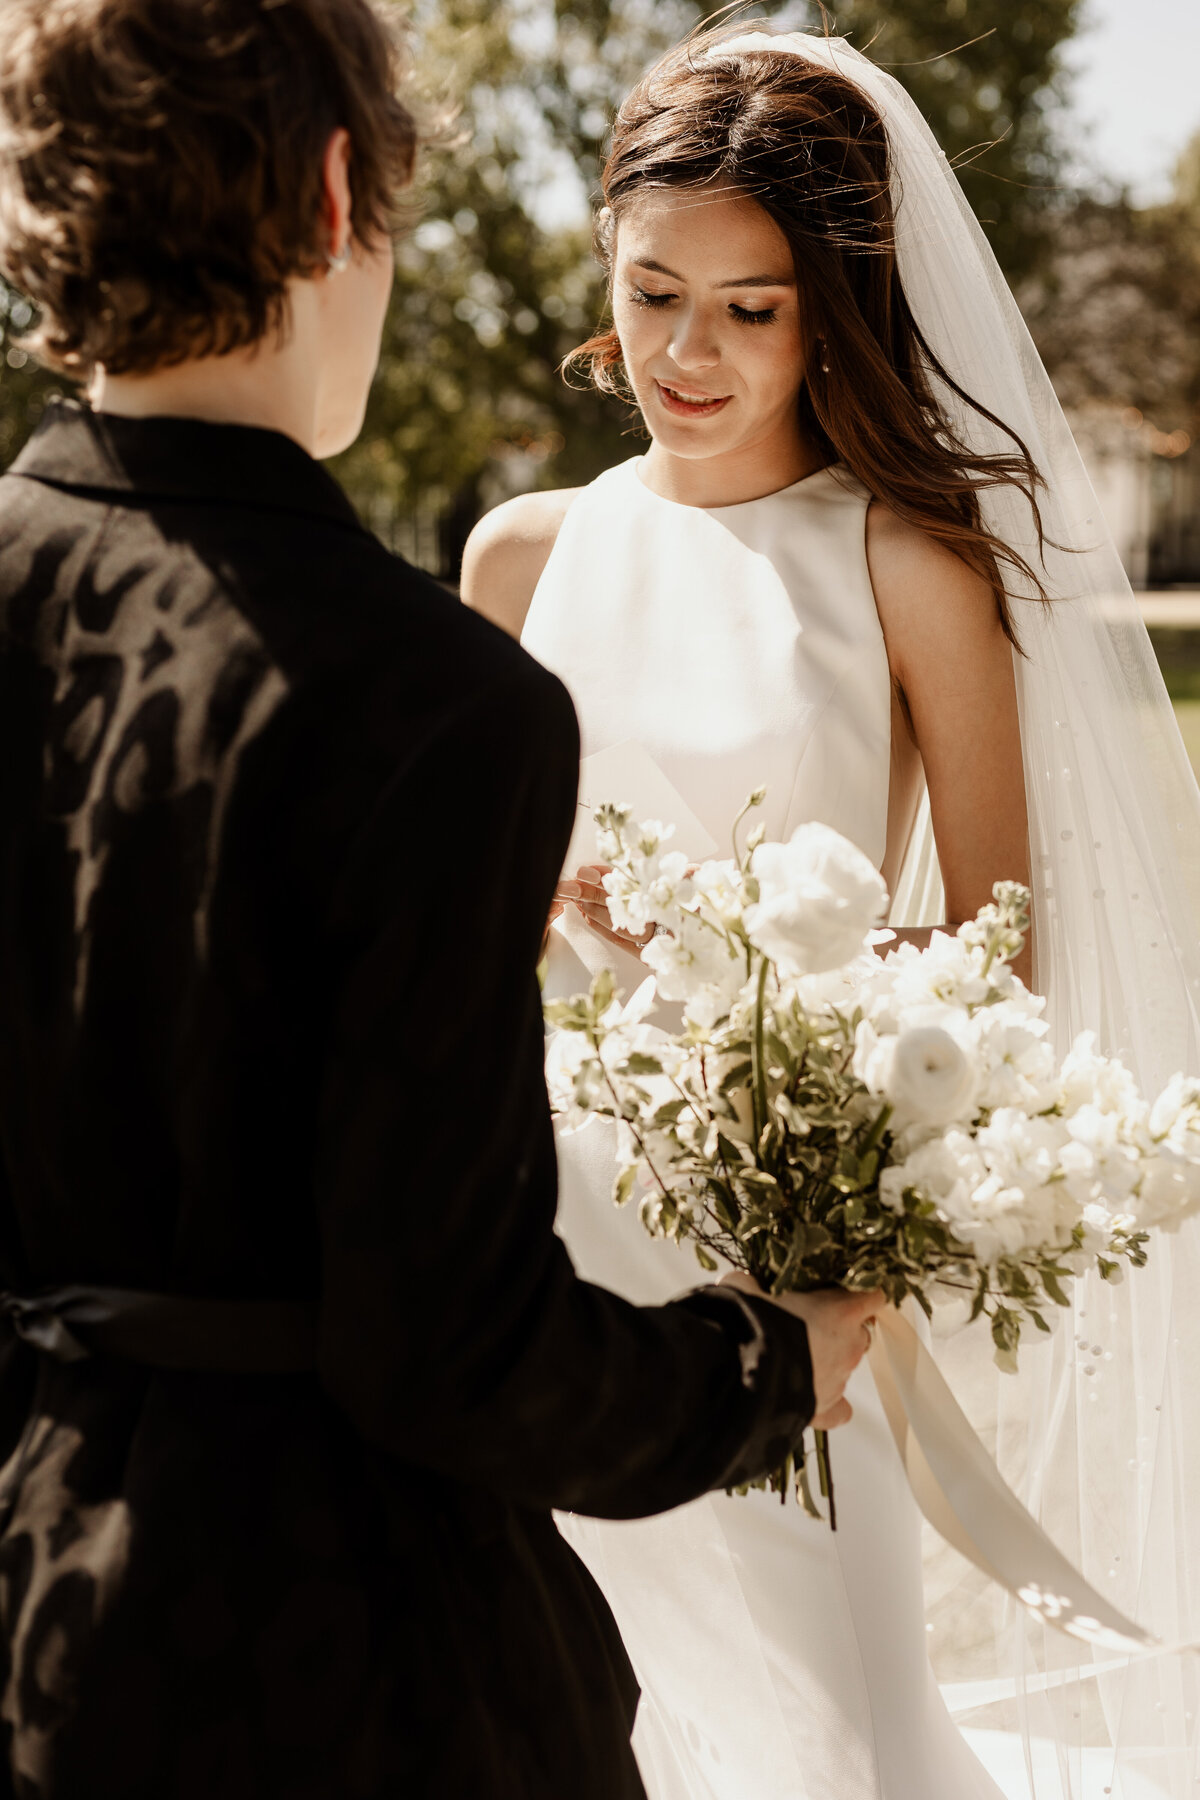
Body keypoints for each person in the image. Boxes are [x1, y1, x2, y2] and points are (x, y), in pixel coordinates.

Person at [0, 5, 884, 1797]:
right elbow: (448, 1342)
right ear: (340, 193)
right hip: (322, 1656)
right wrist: (754, 1363)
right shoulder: (435, 705)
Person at [463, 25, 1200, 1800]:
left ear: (832, 312)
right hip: (523, 1261)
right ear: (606, 276)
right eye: (654, 294)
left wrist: (719, 980)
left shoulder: (905, 559)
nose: (686, 353)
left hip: (778, 1265)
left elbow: (994, 968)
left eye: (751, 308)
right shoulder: (521, 558)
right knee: (569, 1728)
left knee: (841, 1740)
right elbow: (442, 950)